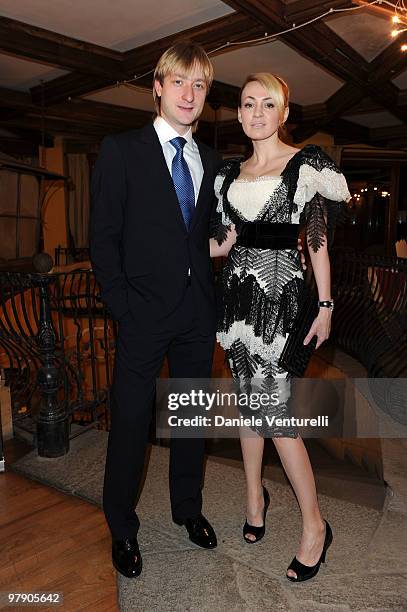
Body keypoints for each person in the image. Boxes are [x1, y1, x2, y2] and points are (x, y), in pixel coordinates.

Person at [90, 42, 236, 579]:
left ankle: (187, 509)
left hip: (197, 315)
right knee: (130, 422)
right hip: (141, 315)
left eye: (199, 86)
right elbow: (102, 240)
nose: (189, 94)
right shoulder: (122, 150)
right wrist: (124, 307)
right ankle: (122, 528)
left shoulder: (213, 162)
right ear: (157, 86)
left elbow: (201, 237)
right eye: (180, 82)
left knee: (191, 420)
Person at [210, 72, 350, 582]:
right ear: (240, 114)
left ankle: (315, 527)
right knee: (249, 403)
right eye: (248, 104)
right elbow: (223, 245)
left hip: (284, 298)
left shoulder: (304, 165)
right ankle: (254, 498)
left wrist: (327, 305)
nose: (257, 112)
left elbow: (316, 242)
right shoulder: (230, 173)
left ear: (284, 113)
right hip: (238, 299)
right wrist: (164, 249)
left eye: (268, 104)